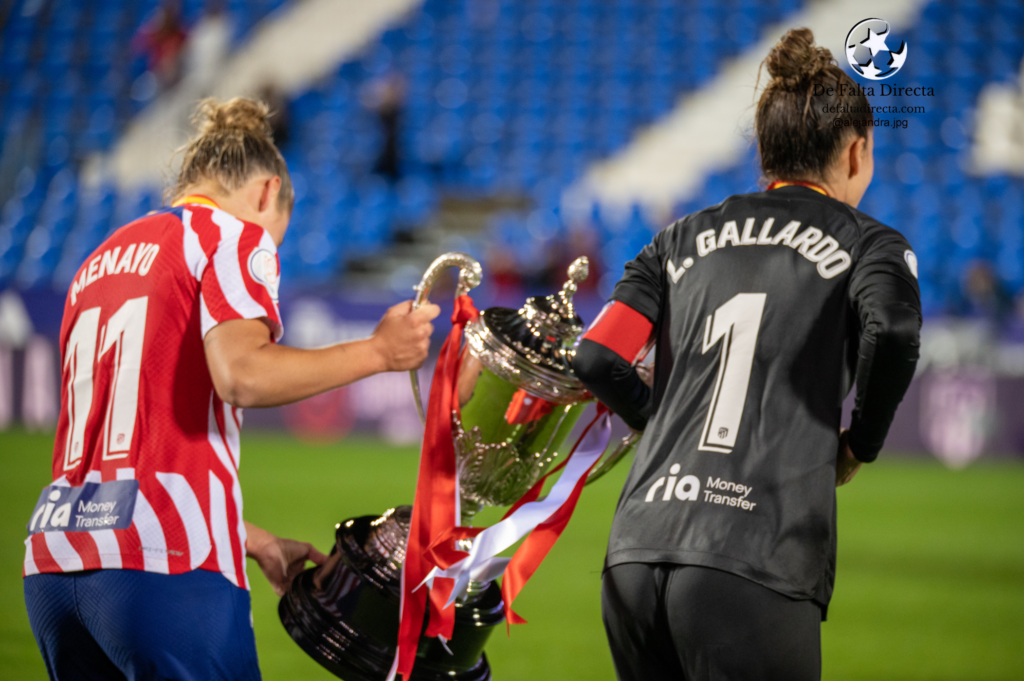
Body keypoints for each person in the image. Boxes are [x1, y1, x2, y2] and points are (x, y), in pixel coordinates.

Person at [22, 97, 440, 680]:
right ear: (268, 193)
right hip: (163, 569)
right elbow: (243, 375)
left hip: (54, 567)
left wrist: (243, 534)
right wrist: (378, 353)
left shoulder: (99, 259)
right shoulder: (232, 234)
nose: (271, 248)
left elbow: (127, 445)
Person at [572, 28, 921, 681]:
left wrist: (661, 418)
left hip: (636, 552)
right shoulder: (870, 242)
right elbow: (895, 330)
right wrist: (860, 445)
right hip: (753, 556)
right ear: (857, 151)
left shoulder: (677, 237)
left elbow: (595, 355)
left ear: (764, 151)